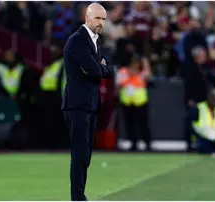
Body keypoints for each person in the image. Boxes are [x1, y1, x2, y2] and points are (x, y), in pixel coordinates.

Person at [62, 3, 115, 201]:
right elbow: (95, 69)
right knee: (80, 154)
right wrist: (99, 68)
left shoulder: (94, 42)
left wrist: (100, 68)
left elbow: (109, 70)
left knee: (85, 155)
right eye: (98, 18)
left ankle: (79, 194)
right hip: (77, 104)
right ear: (87, 18)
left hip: (89, 104)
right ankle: (77, 197)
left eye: (103, 19)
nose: (101, 23)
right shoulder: (78, 41)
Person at [116, 55, 152, 151]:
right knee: (129, 124)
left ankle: (147, 142)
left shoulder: (141, 73)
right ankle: (133, 142)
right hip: (127, 102)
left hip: (140, 102)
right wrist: (129, 75)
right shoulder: (123, 71)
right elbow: (118, 83)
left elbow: (148, 75)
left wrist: (145, 63)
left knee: (142, 123)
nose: (136, 65)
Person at [189, 92, 215, 156]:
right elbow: (190, 123)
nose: (213, 102)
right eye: (211, 100)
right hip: (203, 137)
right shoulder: (200, 108)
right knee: (204, 148)